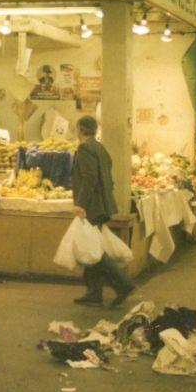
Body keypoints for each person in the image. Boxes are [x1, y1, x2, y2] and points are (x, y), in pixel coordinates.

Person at [71, 116, 135, 307]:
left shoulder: (85, 149)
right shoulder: (101, 148)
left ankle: (123, 284)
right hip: (102, 204)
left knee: (93, 250)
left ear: (80, 130)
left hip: (92, 206)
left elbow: (89, 178)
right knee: (91, 246)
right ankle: (94, 292)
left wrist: (80, 204)